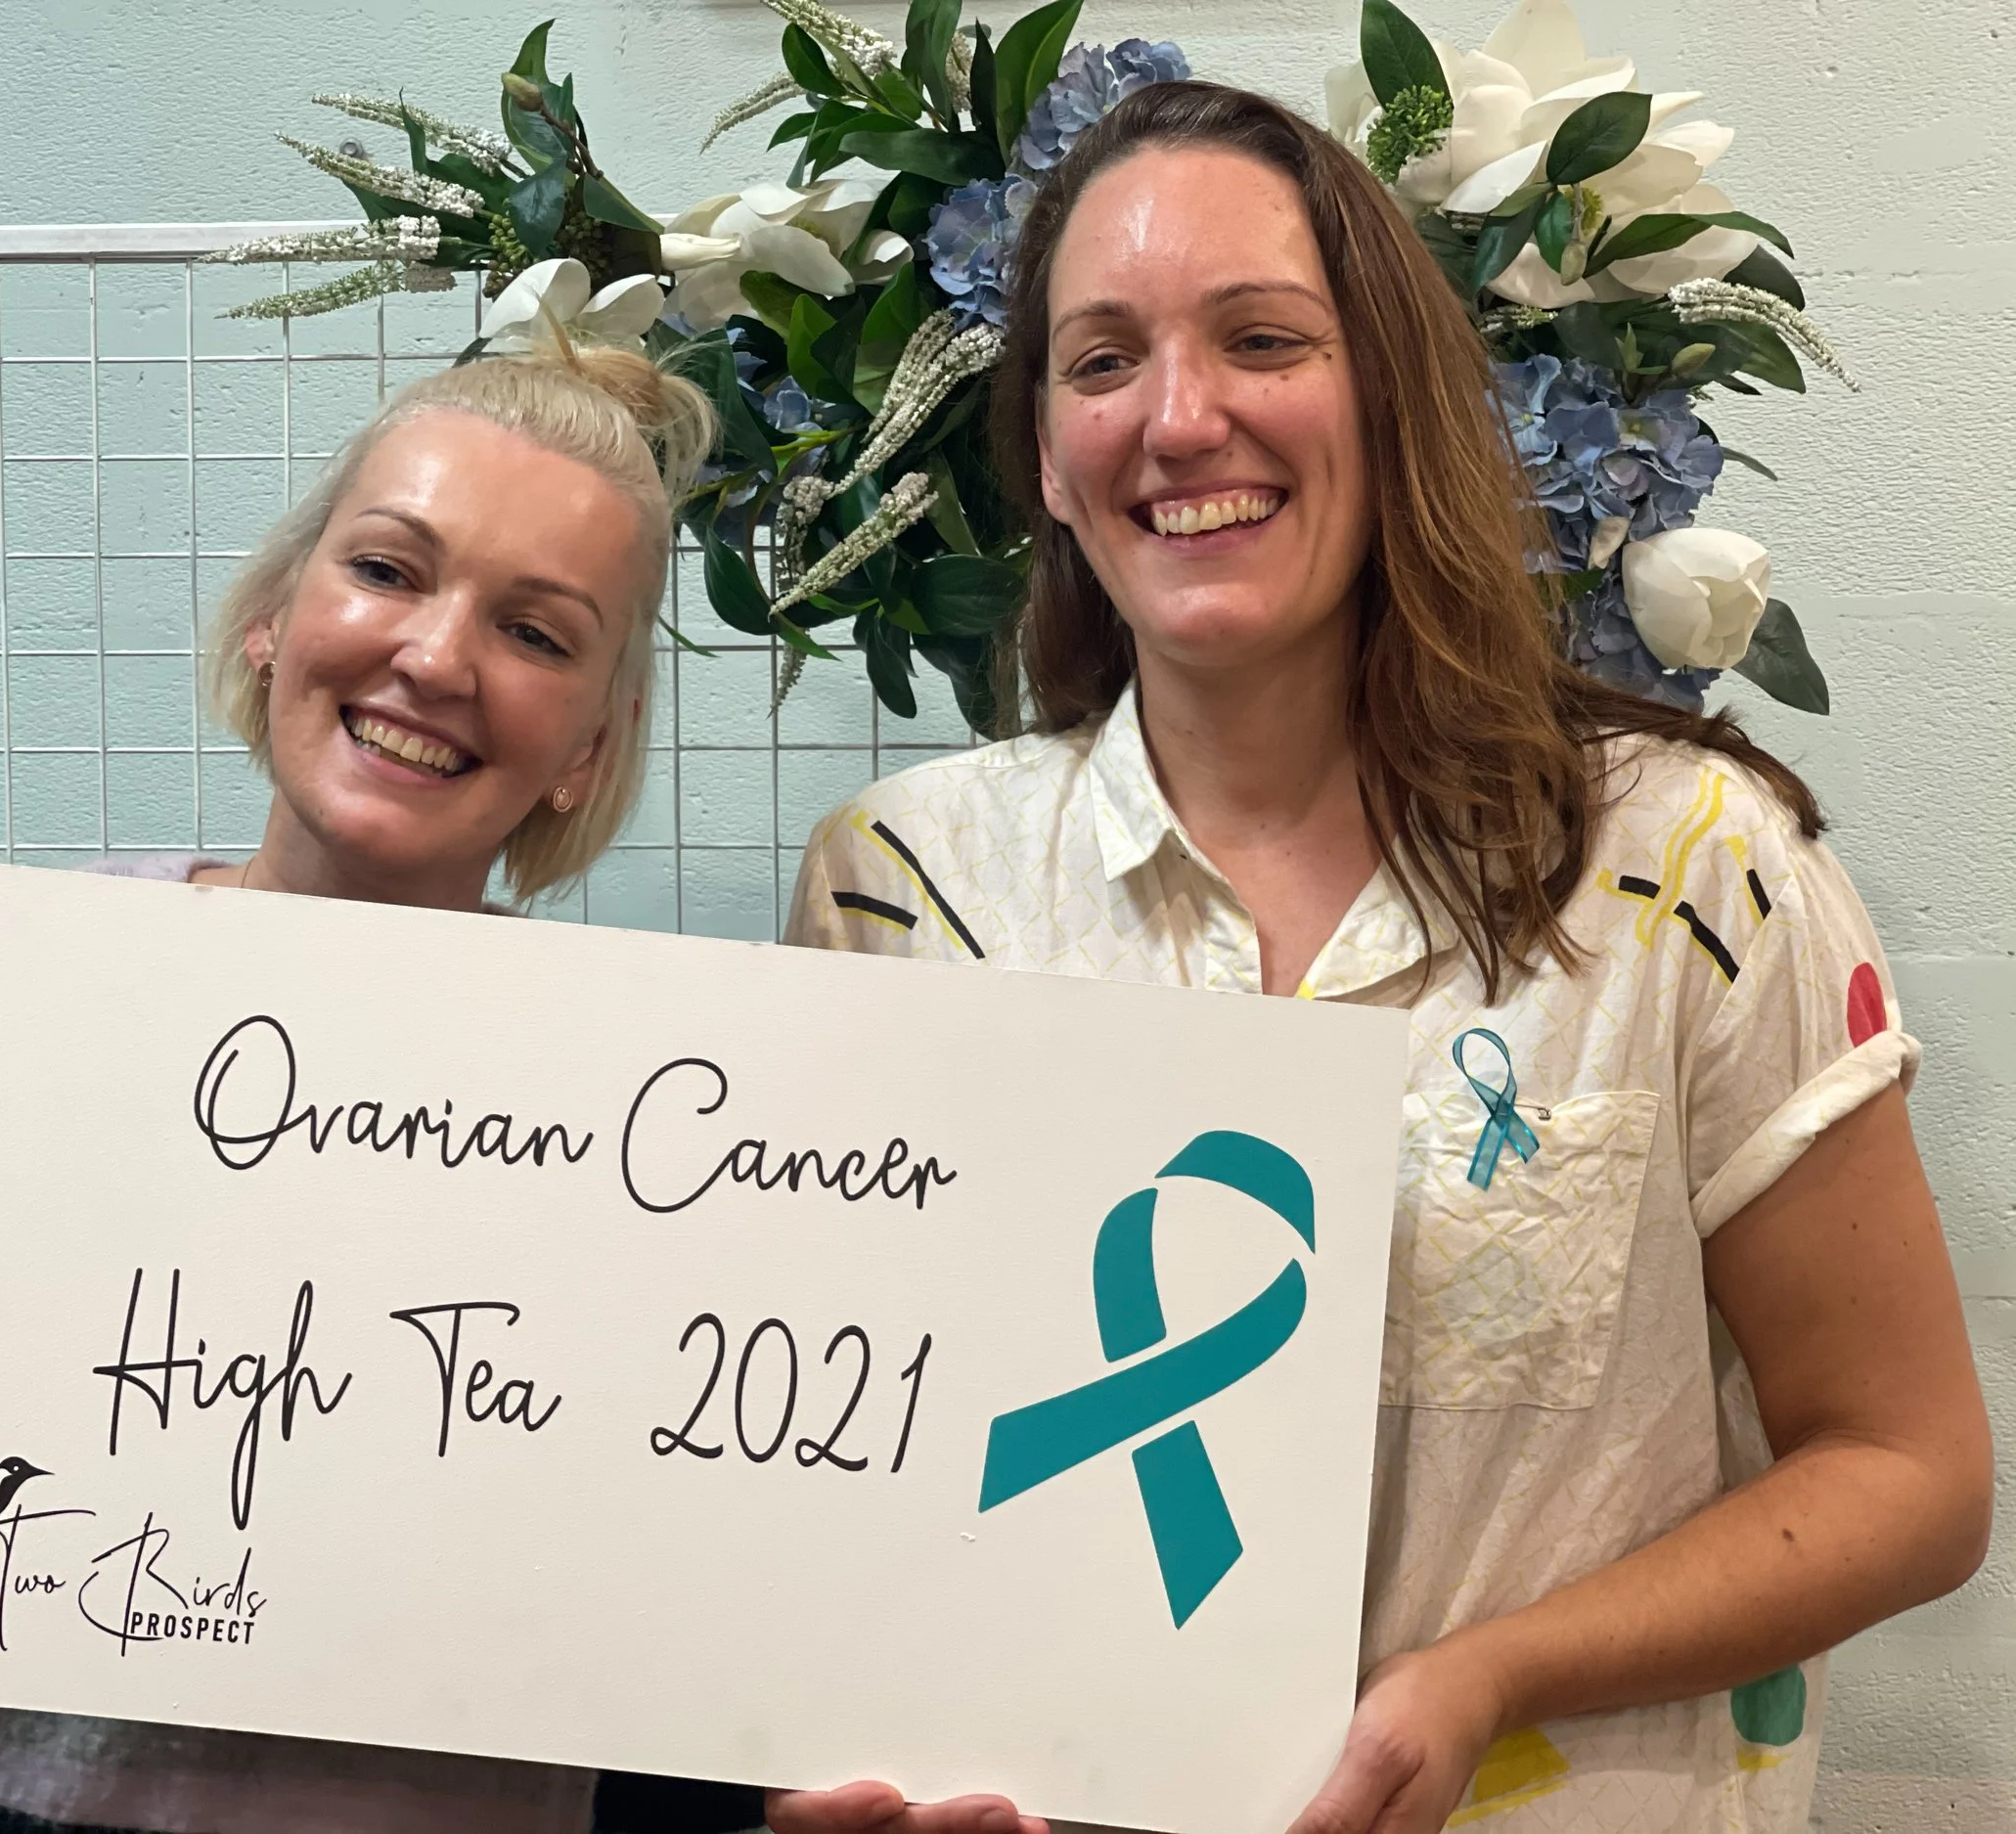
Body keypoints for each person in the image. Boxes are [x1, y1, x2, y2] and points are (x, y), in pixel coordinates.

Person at [783, 82, 1991, 1834]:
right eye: (1102, 361)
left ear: (1389, 395)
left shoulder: (1690, 865)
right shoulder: (904, 893)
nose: (1180, 417)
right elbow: (854, 1462)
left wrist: (1489, 1672)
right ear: (1044, 450)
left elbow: (1913, 1473)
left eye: (1261, 339)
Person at [0, 342, 735, 1832]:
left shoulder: (660, 1132)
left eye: (534, 630)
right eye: (389, 569)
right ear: (275, 619)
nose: (439, 658)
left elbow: (680, 1639)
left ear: (592, 747)